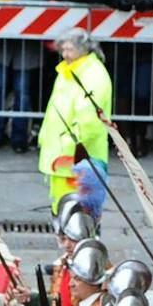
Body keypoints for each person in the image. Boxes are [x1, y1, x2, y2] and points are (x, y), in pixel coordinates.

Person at [39, 27, 113, 207]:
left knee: (78, 214)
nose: (64, 54)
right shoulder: (70, 71)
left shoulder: (92, 75)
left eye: (69, 50)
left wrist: (69, 149)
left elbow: (89, 121)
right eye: (62, 49)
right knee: (65, 210)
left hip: (74, 160)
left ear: (83, 49)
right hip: (64, 158)